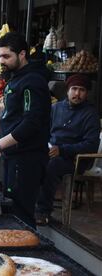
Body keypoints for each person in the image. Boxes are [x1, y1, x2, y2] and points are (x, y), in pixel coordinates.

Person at [0, 32, 51, 228]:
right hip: (12, 156)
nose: (1, 61)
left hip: (26, 159)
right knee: (10, 208)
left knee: (21, 213)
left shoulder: (33, 82)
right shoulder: (16, 78)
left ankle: (27, 255)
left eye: (6, 56)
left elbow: (31, 123)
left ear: (22, 54)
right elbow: (12, 115)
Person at [36, 74, 101, 225]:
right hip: (52, 151)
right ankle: (25, 205)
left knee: (52, 166)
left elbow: (91, 144)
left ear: (87, 93)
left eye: (82, 90)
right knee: (31, 159)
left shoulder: (90, 114)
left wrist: (63, 150)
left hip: (76, 159)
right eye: (74, 89)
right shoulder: (56, 108)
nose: (77, 94)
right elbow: (44, 131)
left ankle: (43, 211)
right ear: (67, 90)